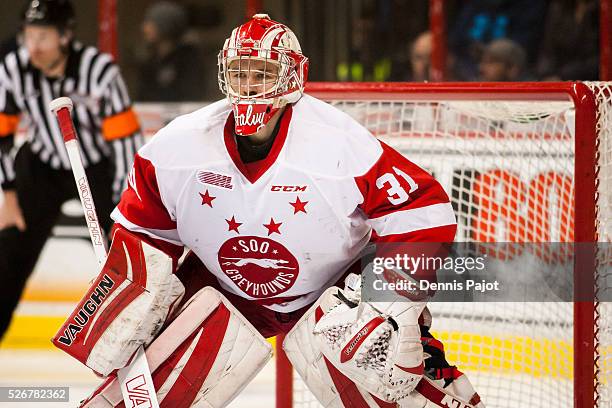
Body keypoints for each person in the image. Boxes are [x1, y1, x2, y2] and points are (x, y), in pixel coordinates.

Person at [59, 14, 484, 407]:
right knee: (135, 396)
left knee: (388, 369)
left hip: (333, 293)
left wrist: (397, 305)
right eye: (240, 73)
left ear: (292, 76)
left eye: (261, 73)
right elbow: (145, 234)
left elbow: (422, 210)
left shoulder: (338, 143)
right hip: (223, 290)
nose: (248, 86)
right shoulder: (175, 149)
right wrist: (125, 297)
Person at [0, 0, 144, 341]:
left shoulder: (100, 72)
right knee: (9, 253)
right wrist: (9, 194)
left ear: (65, 36)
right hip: (42, 166)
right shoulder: (13, 68)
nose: (33, 46)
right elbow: (2, 135)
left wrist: (124, 208)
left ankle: (133, 337)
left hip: (98, 168)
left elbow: (126, 143)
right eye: (28, 36)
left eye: (43, 37)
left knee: (124, 252)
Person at [136, 1, 206, 101]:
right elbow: (143, 97)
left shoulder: (189, 59)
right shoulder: (150, 61)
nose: (144, 28)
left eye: (151, 23)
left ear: (165, 25)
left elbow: (192, 95)